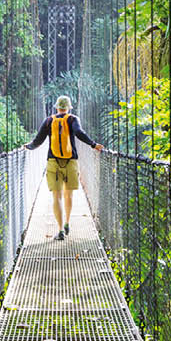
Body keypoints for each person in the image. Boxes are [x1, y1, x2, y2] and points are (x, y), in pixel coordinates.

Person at [24, 95, 104, 240]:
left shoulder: (49, 121)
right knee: (69, 194)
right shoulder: (73, 119)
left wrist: (29, 147)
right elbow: (79, 133)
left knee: (56, 196)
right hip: (71, 161)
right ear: (68, 107)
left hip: (53, 161)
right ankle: (67, 222)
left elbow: (38, 140)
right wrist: (93, 144)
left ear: (56, 107)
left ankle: (60, 230)